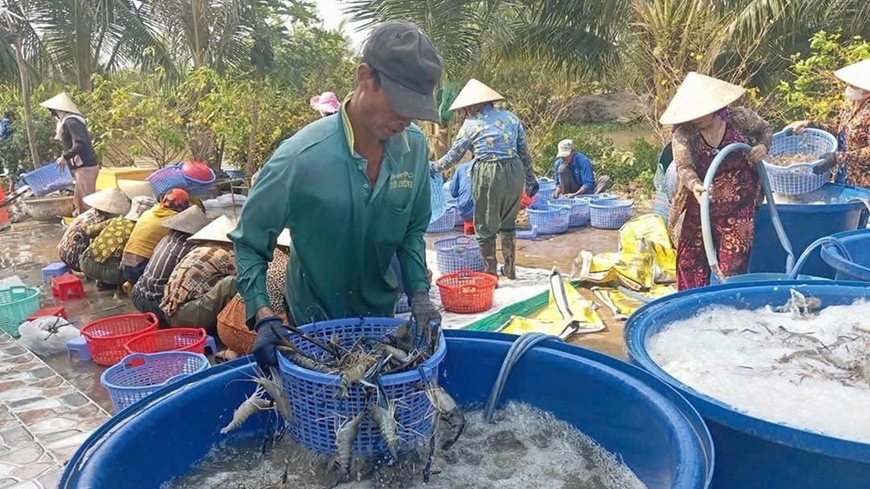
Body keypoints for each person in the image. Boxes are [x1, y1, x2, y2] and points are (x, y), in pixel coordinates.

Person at [230, 20, 444, 369]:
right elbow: (249, 243)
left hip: (382, 322)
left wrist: (419, 292)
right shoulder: (299, 159)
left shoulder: (414, 151)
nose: (406, 118)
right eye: (399, 102)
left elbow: (410, 234)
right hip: (313, 329)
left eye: (416, 107)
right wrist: (263, 313)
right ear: (365, 77)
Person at [661, 72, 771, 290]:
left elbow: (765, 129)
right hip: (701, 201)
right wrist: (694, 185)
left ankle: (728, 309)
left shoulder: (739, 119)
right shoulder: (685, 132)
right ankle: (690, 307)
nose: (698, 118)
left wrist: (763, 147)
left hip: (740, 205)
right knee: (689, 261)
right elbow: (684, 166)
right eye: (693, 113)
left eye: (702, 112)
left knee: (733, 266)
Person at [431, 78, 538, 281]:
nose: (464, 112)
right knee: (508, 222)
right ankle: (510, 269)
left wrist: (433, 167)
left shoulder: (471, 124)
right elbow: (524, 152)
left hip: (488, 173)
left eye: (465, 108)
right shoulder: (511, 117)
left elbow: (454, 155)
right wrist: (531, 179)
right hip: (514, 170)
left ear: (472, 105)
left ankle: (490, 274)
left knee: (485, 224)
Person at [786, 59, 870, 187]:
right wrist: (810, 124)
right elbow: (840, 129)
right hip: (843, 175)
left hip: (863, 180)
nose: (848, 88)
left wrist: (839, 157)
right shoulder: (850, 105)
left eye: (853, 86)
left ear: (866, 90)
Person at [216, 229, 292, 357]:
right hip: (250, 331)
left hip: (224, 324)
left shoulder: (267, 257)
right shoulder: (286, 268)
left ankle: (233, 351)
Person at [131, 206, 213, 323]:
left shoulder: (168, 238)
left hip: (137, 292)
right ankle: (165, 320)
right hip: (153, 302)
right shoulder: (187, 248)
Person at [161, 216, 238, 334]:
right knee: (232, 283)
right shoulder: (224, 254)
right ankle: (229, 329)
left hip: (170, 313)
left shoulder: (200, 249)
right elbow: (244, 277)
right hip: (184, 316)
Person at [40, 93, 99, 215]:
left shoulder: (71, 122)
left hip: (86, 167)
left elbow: (80, 143)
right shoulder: (70, 122)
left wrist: (65, 157)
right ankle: (82, 225)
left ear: (59, 110)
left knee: (86, 201)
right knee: (79, 201)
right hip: (82, 167)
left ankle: (90, 225)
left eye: (53, 111)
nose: (53, 114)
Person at [80, 196, 155, 289]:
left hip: (85, 262)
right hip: (111, 273)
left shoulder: (117, 220)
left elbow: (89, 231)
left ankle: (102, 282)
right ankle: (123, 285)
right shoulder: (140, 229)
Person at [121, 188, 190, 286]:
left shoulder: (148, 212)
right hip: (141, 269)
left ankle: (132, 284)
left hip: (125, 267)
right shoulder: (175, 221)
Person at [57, 188, 130, 272]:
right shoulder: (98, 221)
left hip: (63, 251)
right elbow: (95, 249)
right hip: (73, 258)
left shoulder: (90, 212)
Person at [449, 161, 475, 234]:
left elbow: (453, 193)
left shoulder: (462, 168)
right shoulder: (493, 167)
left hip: (466, 212)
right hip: (489, 214)